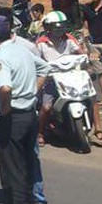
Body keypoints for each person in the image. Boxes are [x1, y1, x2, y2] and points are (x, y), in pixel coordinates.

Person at [0, 15, 50, 204]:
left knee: (14, 169)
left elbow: (5, 88)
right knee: (27, 164)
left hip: (14, 118)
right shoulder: (21, 48)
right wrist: (32, 92)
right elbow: (45, 69)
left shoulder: (0, 57)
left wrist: (5, 109)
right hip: (29, 115)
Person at [35, 11, 86, 147]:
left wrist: (88, 58)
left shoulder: (69, 39)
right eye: (56, 28)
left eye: (61, 27)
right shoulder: (41, 43)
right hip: (51, 80)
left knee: (88, 98)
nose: (59, 31)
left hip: (70, 78)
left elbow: (81, 53)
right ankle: (40, 133)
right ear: (48, 28)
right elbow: (35, 61)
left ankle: (96, 129)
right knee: (46, 107)